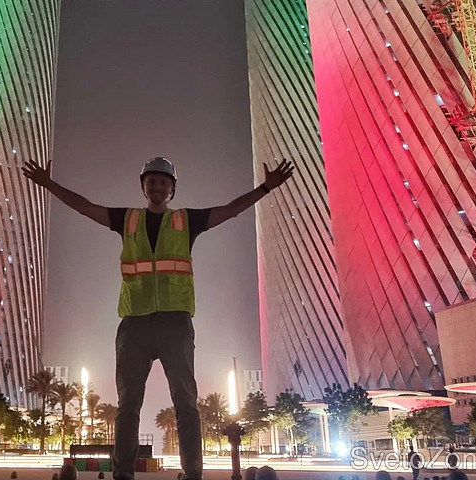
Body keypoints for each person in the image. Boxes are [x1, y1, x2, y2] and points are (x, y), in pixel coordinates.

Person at [22, 155, 294, 480]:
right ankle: (124, 474)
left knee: (186, 402)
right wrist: (48, 184)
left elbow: (230, 210)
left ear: (172, 189)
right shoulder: (128, 219)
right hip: (134, 323)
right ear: (143, 186)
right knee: (128, 404)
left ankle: (193, 474)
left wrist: (265, 188)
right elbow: (85, 207)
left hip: (175, 323)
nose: (157, 187)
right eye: (151, 181)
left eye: (163, 182)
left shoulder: (186, 220)